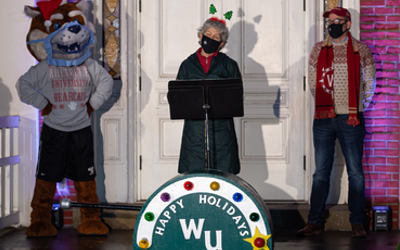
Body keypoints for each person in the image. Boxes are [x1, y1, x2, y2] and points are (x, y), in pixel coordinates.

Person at [297, 7, 376, 238]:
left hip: (351, 118)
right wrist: (325, 106)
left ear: (348, 24)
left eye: (337, 21)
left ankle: (357, 222)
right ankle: (315, 220)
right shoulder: (318, 50)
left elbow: (370, 82)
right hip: (324, 118)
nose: (332, 25)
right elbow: (313, 82)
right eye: (329, 22)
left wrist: (359, 108)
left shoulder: (361, 50)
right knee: (321, 171)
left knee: (355, 172)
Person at [173, 17, 242, 174]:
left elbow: (237, 97)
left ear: (222, 44)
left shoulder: (230, 65)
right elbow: (178, 97)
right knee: (194, 172)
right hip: (194, 130)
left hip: (221, 129)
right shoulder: (187, 64)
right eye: (208, 34)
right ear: (200, 36)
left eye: (216, 37)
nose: (210, 38)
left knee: (223, 172)